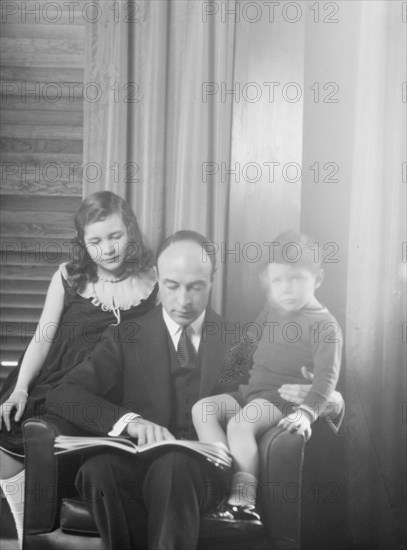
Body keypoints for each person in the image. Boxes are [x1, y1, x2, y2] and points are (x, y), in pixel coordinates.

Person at [46, 229, 344, 550]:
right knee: (98, 469)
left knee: (174, 466)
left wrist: (330, 400)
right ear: (158, 278)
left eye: (196, 287)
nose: (183, 301)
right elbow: (65, 394)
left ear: (212, 280)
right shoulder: (125, 337)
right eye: (172, 286)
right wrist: (130, 421)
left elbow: (269, 385)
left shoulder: (239, 341)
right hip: (135, 461)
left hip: (202, 473)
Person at [0, 191, 158, 547]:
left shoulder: (154, 280)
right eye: (95, 241)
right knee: (7, 445)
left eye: (115, 236)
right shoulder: (70, 276)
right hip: (56, 377)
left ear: (130, 231)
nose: (108, 248)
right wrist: (21, 388)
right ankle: (29, 532)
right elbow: (43, 336)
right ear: (83, 244)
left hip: (108, 386)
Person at [192, 230, 343, 522]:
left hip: (280, 396)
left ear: (318, 279)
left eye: (296, 279)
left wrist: (306, 414)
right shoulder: (273, 308)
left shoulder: (326, 326)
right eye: (277, 281)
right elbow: (249, 342)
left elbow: (326, 380)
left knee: (241, 424)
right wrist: (229, 365)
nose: (286, 289)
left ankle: (243, 502)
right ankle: (220, 483)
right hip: (252, 391)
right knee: (204, 408)